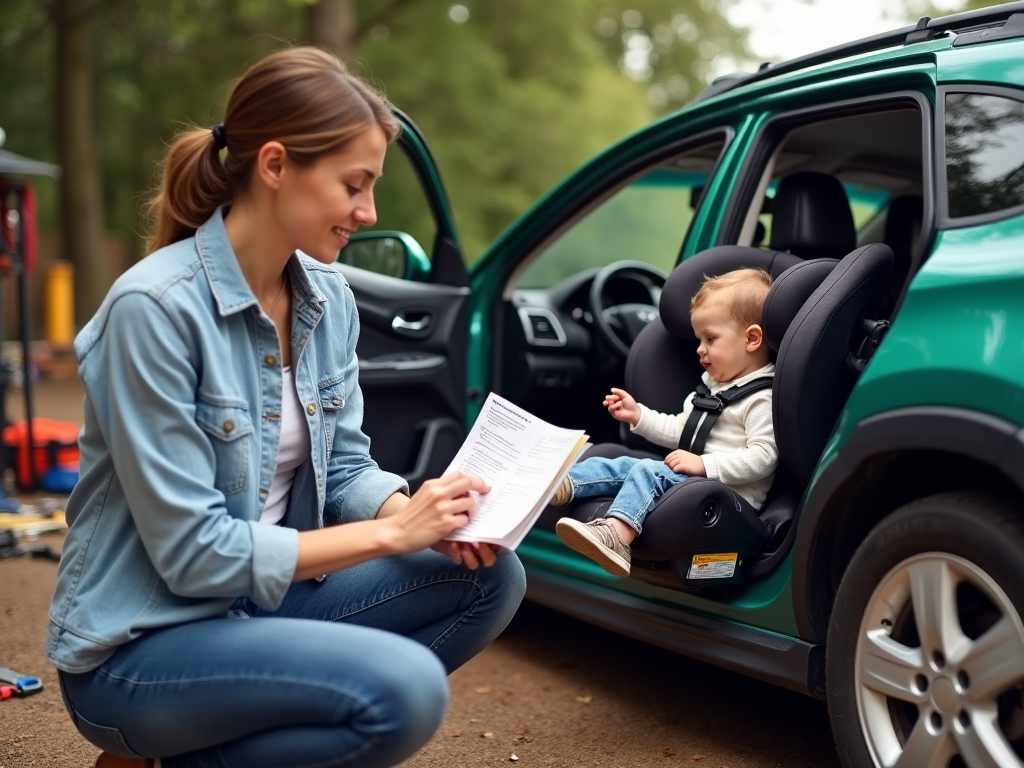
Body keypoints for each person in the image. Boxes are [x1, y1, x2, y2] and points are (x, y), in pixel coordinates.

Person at [47, 47, 526, 768]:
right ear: (275, 166)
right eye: (354, 186)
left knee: (489, 577)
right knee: (402, 691)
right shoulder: (153, 311)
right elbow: (195, 556)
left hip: (264, 610)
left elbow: (344, 470)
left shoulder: (328, 298)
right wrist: (392, 538)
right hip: (142, 645)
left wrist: (413, 513)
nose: (367, 213)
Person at [552, 268, 777, 577]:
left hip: (733, 496)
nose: (700, 349)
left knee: (648, 470)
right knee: (623, 463)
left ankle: (616, 536)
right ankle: (563, 486)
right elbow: (679, 430)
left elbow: (764, 458)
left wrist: (704, 465)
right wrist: (639, 416)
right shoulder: (712, 388)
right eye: (699, 339)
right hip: (698, 479)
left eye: (711, 339)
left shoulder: (760, 399)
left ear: (751, 339)